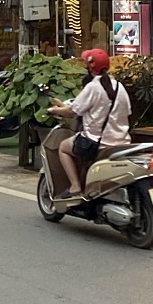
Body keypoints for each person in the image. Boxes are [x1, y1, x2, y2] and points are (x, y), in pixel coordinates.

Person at [47, 49, 132, 199]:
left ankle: (74, 187)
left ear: (89, 67)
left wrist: (54, 110)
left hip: (95, 143)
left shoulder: (93, 87)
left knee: (63, 148)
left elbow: (72, 112)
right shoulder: (119, 87)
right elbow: (127, 112)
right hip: (122, 142)